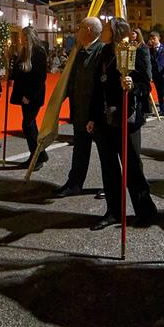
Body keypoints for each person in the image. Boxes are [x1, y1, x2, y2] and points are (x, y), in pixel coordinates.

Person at [87, 17, 158, 230]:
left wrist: (132, 85)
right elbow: (96, 86)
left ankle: (145, 210)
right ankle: (114, 211)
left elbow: (146, 85)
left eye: (107, 28)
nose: (104, 31)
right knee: (109, 168)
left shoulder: (137, 51)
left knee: (133, 167)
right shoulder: (104, 51)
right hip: (104, 119)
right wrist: (92, 117)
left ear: (116, 31)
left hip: (127, 117)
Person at [54, 17, 104, 197]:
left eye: (80, 27)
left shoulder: (102, 51)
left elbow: (101, 87)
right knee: (80, 150)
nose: (77, 30)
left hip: (96, 114)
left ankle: (111, 185)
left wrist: (95, 115)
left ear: (89, 30)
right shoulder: (80, 52)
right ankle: (74, 183)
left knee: (107, 154)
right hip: (80, 112)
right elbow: (73, 80)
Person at [10, 26, 49, 170]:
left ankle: (37, 157)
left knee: (27, 125)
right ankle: (39, 154)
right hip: (23, 95)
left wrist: (30, 96)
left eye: (24, 37)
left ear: (31, 37)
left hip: (33, 95)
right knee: (30, 126)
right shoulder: (23, 51)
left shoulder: (38, 52)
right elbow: (18, 73)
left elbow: (40, 77)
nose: (22, 40)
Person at [130, 27, 153, 116]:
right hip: (132, 73)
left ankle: (143, 112)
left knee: (142, 94)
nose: (131, 35)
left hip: (141, 73)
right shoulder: (128, 45)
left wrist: (149, 75)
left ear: (137, 35)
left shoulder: (143, 47)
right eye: (130, 33)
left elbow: (147, 62)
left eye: (133, 33)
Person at [148, 31, 164, 116]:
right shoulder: (150, 50)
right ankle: (162, 110)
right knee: (159, 93)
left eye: (154, 38)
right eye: (151, 39)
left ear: (158, 38)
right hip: (156, 74)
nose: (153, 40)